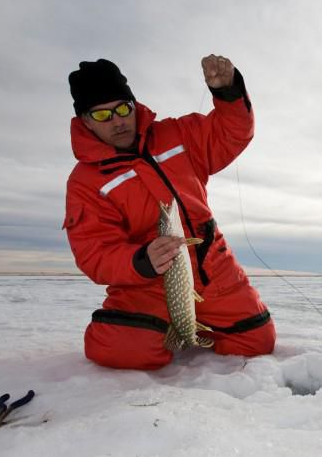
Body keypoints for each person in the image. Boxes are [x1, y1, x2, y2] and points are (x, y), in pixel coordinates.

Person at [64, 55, 276, 370]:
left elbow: (232, 133)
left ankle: (195, 325)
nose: (118, 121)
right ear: (86, 121)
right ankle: (161, 327)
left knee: (257, 341)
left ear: (134, 106)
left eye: (123, 109)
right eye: (103, 114)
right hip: (146, 284)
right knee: (120, 348)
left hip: (211, 265)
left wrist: (228, 92)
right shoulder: (85, 182)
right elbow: (95, 253)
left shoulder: (178, 134)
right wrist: (141, 261)